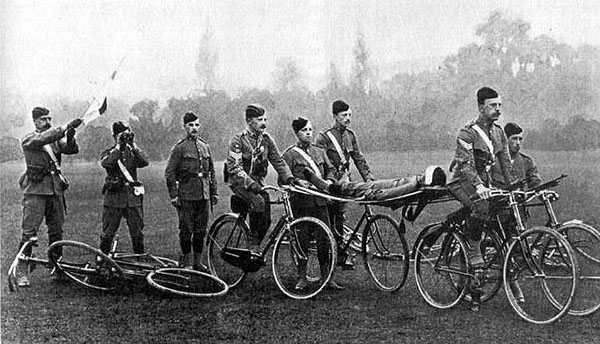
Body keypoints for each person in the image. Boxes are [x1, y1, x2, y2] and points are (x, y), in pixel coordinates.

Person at [448, 87, 523, 305]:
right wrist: (480, 186)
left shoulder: (499, 133)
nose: (498, 109)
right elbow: (466, 166)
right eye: (493, 105)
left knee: (502, 211)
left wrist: (514, 188)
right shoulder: (467, 133)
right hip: (463, 181)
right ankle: (473, 251)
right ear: (481, 107)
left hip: (484, 183)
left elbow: (506, 165)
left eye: (499, 105)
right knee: (480, 206)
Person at [17, 107, 83, 287]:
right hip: (36, 191)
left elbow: (71, 149)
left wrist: (69, 135)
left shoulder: (54, 140)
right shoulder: (29, 139)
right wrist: (64, 127)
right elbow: (43, 138)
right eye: (44, 119)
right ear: (35, 122)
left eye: (49, 118)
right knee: (29, 232)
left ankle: (58, 267)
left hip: (55, 190)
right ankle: (22, 272)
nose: (48, 121)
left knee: (56, 231)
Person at [282, 117, 345, 290]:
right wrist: (296, 183)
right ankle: (302, 277)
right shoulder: (289, 155)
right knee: (301, 241)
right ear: (296, 133)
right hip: (301, 205)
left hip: (321, 202)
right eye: (304, 130)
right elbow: (283, 179)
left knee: (324, 240)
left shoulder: (319, 151)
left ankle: (327, 278)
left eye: (310, 130)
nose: (308, 133)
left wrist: (330, 180)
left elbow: (331, 168)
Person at [226, 104, 295, 254]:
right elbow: (235, 168)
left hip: (258, 183)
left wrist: (289, 178)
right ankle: (253, 243)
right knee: (258, 202)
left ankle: (255, 247)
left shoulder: (266, 139)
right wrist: (250, 183)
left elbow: (278, 161)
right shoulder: (238, 140)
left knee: (267, 220)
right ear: (249, 121)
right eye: (260, 119)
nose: (264, 123)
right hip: (239, 182)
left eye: (265, 119)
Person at [315, 100, 375, 269]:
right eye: (344, 115)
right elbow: (319, 162)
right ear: (335, 117)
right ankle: (330, 256)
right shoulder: (324, 137)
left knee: (339, 217)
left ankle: (340, 253)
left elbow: (358, 158)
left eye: (349, 115)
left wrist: (369, 178)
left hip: (344, 181)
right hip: (328, 182)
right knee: (329, 218)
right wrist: (326, 183)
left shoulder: (351, 135)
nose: (348, 118)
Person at [165, 112, 218, 270]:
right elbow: (169, 172)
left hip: (204, 194)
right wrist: (174, 195)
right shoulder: (180, 148)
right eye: (190, 125)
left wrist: (214, 192)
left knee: (201, 229)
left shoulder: (204, 146)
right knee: (186, 229)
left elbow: (212, 171)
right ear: (184, 127)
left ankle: (197, 262)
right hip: (187, 195)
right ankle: (187, 262)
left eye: (196, 125)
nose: (194, 128)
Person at [99, 121, 149, 255]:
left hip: (132, 199)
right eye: (122, 134)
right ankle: (102, 261)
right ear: (114, 135)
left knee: (137, 234)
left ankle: (140, 260)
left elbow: (145, 162)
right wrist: (118, 146)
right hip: (114, 199)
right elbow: (107, 163)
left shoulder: (132, 152)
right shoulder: (109, 152)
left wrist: (133, 144)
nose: (125, 137)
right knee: (108, 233)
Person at [491, 122, 541, 190]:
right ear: (505, 140)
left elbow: (536, 183)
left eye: (520, 139)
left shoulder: (527, 162)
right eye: (514, 139)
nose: (518, 143)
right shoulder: (493, 161)